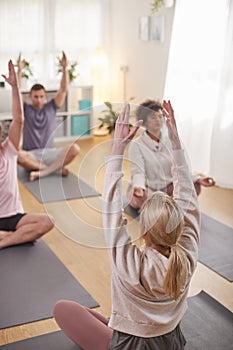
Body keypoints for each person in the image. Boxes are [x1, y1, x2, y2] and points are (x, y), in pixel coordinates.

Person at [53, 101, 200, 349]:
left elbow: (111, 205)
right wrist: (177, 142)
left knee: (62, 309)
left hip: (132, 346)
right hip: (172, 341)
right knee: (106, 320)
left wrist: (117, 147)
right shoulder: (187, 253)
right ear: (179, 227)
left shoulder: (130, 265)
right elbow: (187, 195)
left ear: (143, 230)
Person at [0, 60, 54, 249]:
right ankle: (18, 237)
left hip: (14, 217)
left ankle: (5, 239)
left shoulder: (9, 151)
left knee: (48, 221)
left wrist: (15, 86)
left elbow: (18, 119)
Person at [127, 99, 215, 209]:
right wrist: (139, 187)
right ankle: (167, 208)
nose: (158, 120)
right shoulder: (136, 145)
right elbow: (137, 171)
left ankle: (166, 208)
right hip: (148, 189)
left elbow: (181, 166)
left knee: (194, 186)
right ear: (144, 121)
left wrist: (197, 179)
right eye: (153, 117)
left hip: (168, 187)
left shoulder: (170, 140)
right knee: (142, 198)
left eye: (160, 116)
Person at [16, 51, 80, 181]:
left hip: (50, 153)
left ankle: (43, 171)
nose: (39, 100)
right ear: (30, 96)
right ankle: (54, 170)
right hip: (31, 155)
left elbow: (63, 90)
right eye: (35, 97)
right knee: (17, 155)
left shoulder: (51, 107)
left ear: (45, 96)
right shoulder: (25, 109)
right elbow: (16, 91)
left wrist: (64, 68)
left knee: (75, 148)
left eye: (41, 96)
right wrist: (19, 70)